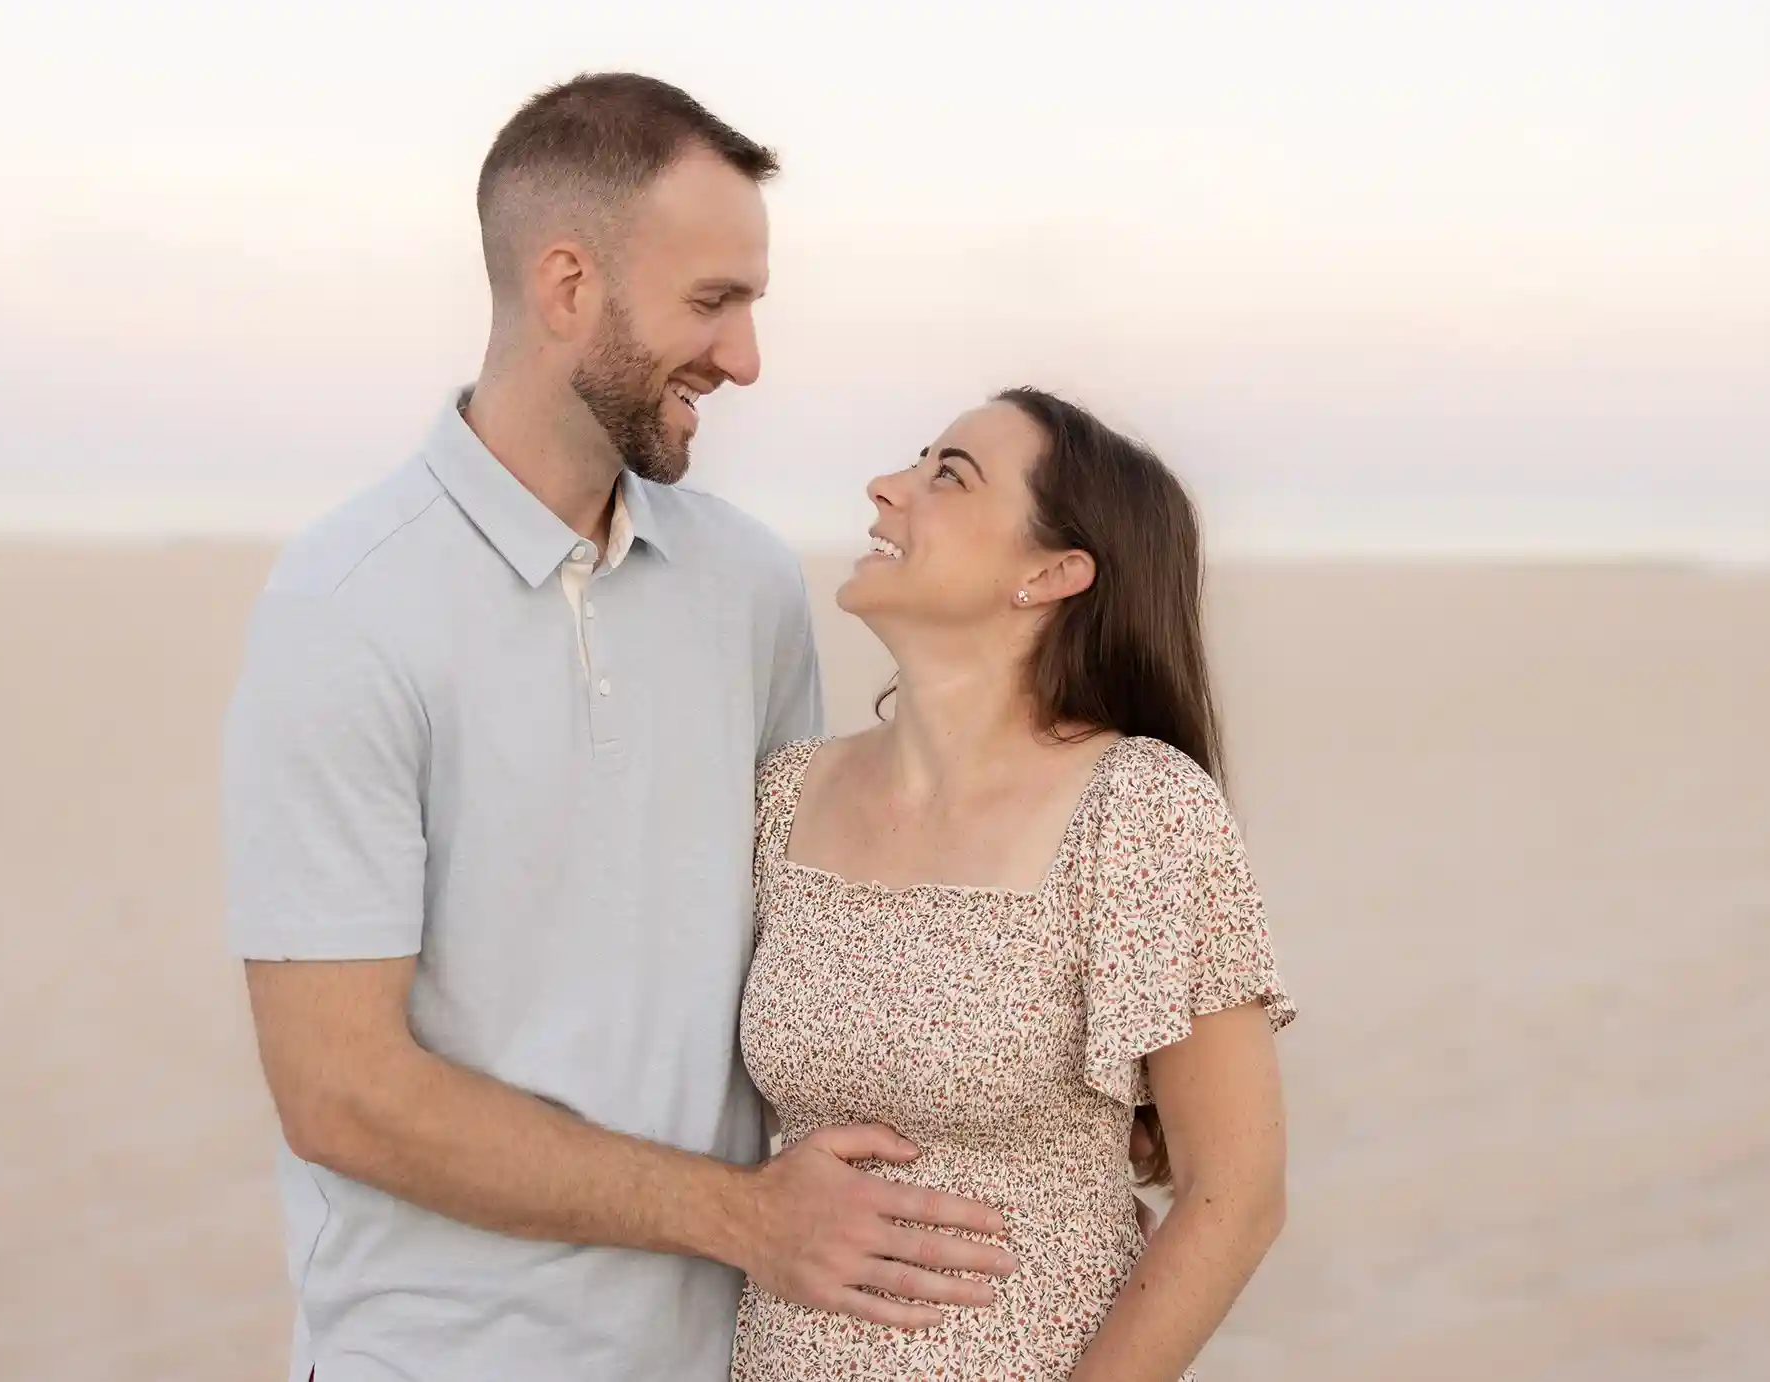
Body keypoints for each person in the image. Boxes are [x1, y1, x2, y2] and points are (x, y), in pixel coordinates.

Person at [220, 75, 1015, 1382]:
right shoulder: (345, 607)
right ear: (568, 285)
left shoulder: (749, 584)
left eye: (752, 303)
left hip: (726, 1351)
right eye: (713, 302)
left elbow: (803, 949)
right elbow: (339, 1091)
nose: (747, 358)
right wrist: (745, 1215)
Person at [732, 388, 1295, 1381]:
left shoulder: (1141, 809)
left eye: (947, 475)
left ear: (1051, 571)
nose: (885, 489)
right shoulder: (783, 795)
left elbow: (1234, 1192)